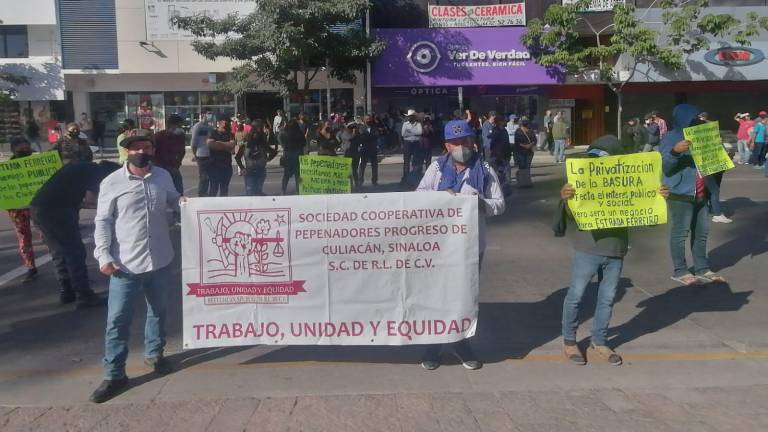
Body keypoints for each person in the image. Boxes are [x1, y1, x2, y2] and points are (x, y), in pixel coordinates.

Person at [558, 135, 670, 366]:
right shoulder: (580, 181)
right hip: (588, 248)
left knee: (607, 298)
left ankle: (599, 341)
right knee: (576, 296)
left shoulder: (627, 180)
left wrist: (657, 198)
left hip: (616, 249)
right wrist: (566, 199)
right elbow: (570, 215)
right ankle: (569, 341)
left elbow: (646, 214)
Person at [89, 134, 182, 404]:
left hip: (161, 261)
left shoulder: (162, 176)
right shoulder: (112, 182)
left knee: (159, 312)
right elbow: (103, 221)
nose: (141, 151)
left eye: (146, 147)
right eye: (135, 148)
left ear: (153, 149)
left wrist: (190, 206)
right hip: (124, 265)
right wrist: (103, 255)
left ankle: (155, 354)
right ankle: (115, 373)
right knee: (117, 320)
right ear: (126, 152)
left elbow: (174, 200)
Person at [416, 119, 505, 370]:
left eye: (464, 141)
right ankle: (433, 345)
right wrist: (439, 198)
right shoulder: (435, 168)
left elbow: (499, 204)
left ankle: (461, 343)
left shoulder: (484, 169)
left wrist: (481, 203)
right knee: (435, 296)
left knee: (465, 298)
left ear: (472, 141)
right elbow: (418, 195)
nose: (461, 146)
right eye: (455, 143)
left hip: (471, 248)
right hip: (439, 248)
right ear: (446, 145)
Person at [30, 160, 120, 307]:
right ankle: (84, 295)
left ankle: (67, 291)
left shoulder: (82, 167)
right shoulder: (95, 171)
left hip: (39, 208)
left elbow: (80, 199)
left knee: (58, 251)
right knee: (74, 252)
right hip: (58, 211)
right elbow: (92, 199)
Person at [661, 103, 726, 286]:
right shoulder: (670, 137)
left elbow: (713, 163)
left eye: (699, 117)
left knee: (702, 233)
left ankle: (702, 268)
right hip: (680, 193)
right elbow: (665, 167)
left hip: (701, 191)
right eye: (693, 117)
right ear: (683, 118)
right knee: (680, 233)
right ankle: (680, 270)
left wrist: (720, 152)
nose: (698, 120)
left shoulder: (701, 134)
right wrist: (675, 152)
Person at [6, 137, 39, 282]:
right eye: (21, 149)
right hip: (17, 209)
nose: (26, 151)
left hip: (38, 206)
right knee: (24, 238)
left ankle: (60, 263)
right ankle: (30, 267)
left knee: (47, 234)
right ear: (13, 150)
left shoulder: (38, 164)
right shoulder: (7, 169)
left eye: (27, 148)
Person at [236, 120, 275, 196]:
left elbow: (273, 152)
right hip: (249, 172)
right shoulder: (245, 144)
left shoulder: (263, 144)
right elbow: (237, 157)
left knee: (258, 193)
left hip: (261, 171)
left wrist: (267, 159)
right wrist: (242, 168)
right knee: (250, 194)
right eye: (261, 128)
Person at [153, 114, 186, 194]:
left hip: (174, 169)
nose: (181, 128)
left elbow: (182, 151)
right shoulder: (158, 137)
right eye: (179, 126)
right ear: (171, 125)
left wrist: (178, 163)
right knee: (161, 192)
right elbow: (151, 153)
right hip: (160, 169)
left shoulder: (180, 136)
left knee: (178, 193)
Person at [207, 113, 236, 197]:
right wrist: (226, 146)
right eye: (226, 121)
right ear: (220, 122)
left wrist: (218, 143)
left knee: (224, 190)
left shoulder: (231, 134)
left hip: (226, 165)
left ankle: (223, 208)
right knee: (213, 189)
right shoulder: (213, 132)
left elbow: (232, 146)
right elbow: (211, 145)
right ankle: (211, 208)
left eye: (228, 121)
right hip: (214, 165)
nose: (228, 123)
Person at [280, 119, 307, 194]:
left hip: (288, 156)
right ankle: (298, 191)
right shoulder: (300, 133)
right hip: (298, 155)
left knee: (286, 175)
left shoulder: (284, 134)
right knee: (297, 175)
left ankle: (283, 190)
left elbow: (282, 143)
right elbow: (304, 143)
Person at [190, 113, 212, 196]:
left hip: (209, 154)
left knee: (208, 176)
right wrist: (194, 155)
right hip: (200, 154)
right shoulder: (198, 126)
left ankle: (205, 192)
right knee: (203, 176)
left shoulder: (209, 127)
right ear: (203, 115)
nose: (210, 116)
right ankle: (201, 194)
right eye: (208, 114)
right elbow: (193, 142)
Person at [513, 118, 537, 187]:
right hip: (521, 152)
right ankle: (522, 182)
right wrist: (526, 146)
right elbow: (517, 142)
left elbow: (535, 140)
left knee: (527, 167)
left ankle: (526, 182)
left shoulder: (530, 131)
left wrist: (529, 145)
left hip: (529, 152)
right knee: (522, 167)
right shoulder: (518, 131)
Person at [401, 109, 423, 183]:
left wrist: (409, 131)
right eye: (408, 116)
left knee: (416, 161)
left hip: (415, 144)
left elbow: (420, 132)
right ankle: (406, 177)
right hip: (407, 144)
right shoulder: (405, 124)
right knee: (406, 162)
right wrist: (414, 133)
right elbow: (403, 134)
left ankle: (415, 177)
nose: (409, 118)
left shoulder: (418, 124)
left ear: (414, 117)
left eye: (411, 116)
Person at [489, 115, 511, 186]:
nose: (506, 122)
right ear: (500, 122)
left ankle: (504, 185)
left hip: (505, 156)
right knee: (500, 173)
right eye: (504, 121)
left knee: (504, 173)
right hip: (499, 156)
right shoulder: (496, 131)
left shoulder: (504, 130)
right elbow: (494, 144)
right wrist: (498, 156)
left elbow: (506, 143)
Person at [359, 115, 380, 187]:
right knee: (362, 166)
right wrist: (371, 137)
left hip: (373, 149)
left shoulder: (374, 127)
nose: (368, 120)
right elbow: (362, 138)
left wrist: (367, 137)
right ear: (364, 120)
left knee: (374, 166)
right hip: (364, 150)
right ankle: (360, 181)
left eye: (369, 119)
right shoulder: (361, 128)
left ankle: (374, 181)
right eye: (367, 119)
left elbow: (377, 136)